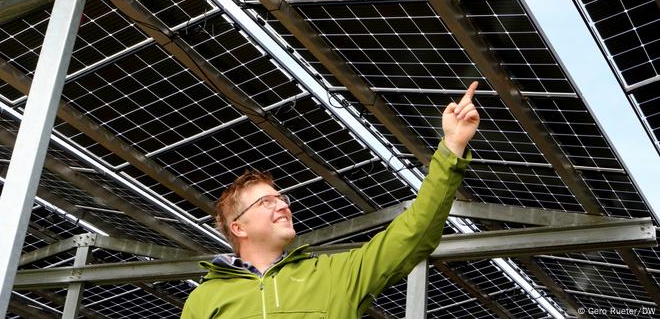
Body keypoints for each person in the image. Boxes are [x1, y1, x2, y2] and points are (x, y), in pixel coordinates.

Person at [181, 81, 480, 318]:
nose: (283, 205)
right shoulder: (204, 300)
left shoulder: (335, 276)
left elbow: (414, 234)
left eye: (281, 198)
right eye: (266, 202)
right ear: (239, 228)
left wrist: (452, 146)